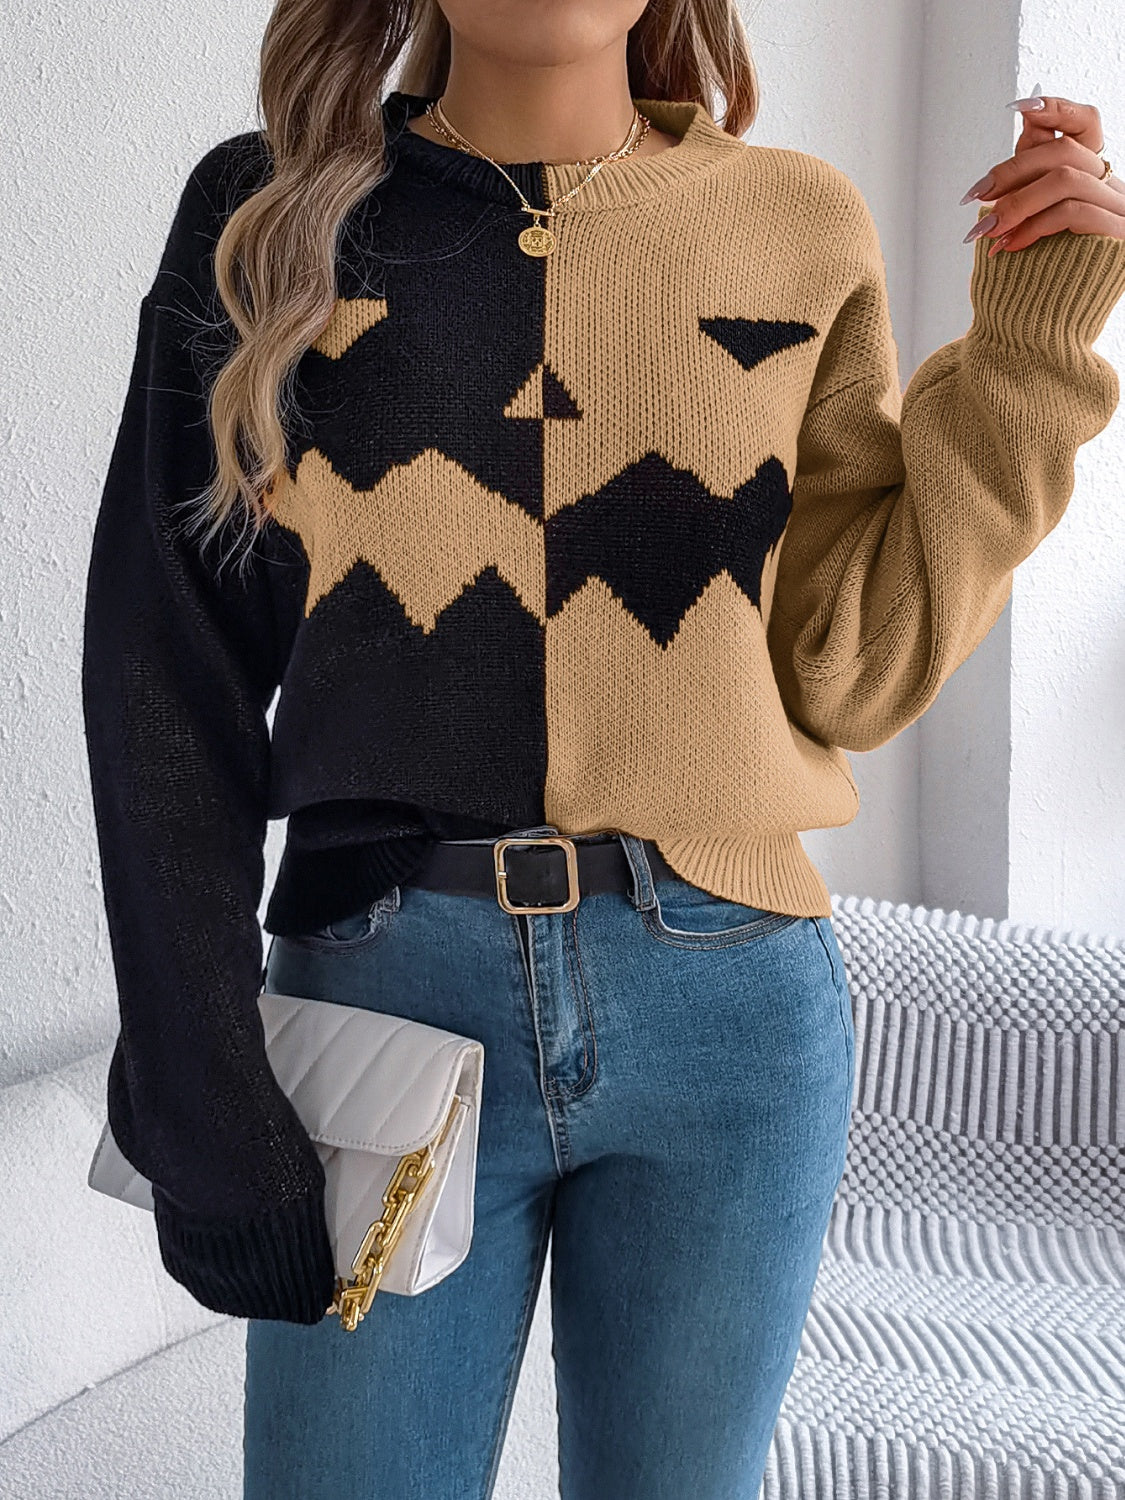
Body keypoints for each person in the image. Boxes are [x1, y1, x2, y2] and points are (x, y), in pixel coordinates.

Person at [80, 0, 1125, 1494]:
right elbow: (160, 671)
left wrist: (1025, 350)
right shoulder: (269, 214)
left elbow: (851, 663)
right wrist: (200, 1082)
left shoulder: (795, 224)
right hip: (386, 996)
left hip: (732, 1012)